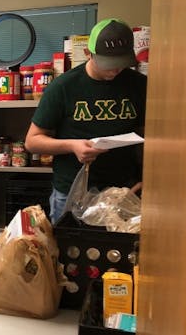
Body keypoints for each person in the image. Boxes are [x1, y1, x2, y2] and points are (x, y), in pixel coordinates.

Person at [25, 18, 147, 223]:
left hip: (124, 190)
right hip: (72, 192)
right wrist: (73, 146)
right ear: (88, 54)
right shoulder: (64, 86)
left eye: (120, 64)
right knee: (68, 251)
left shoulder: (139, 85)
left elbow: (148, 133)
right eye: (108, 64)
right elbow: (32, 141)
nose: (115, 71)